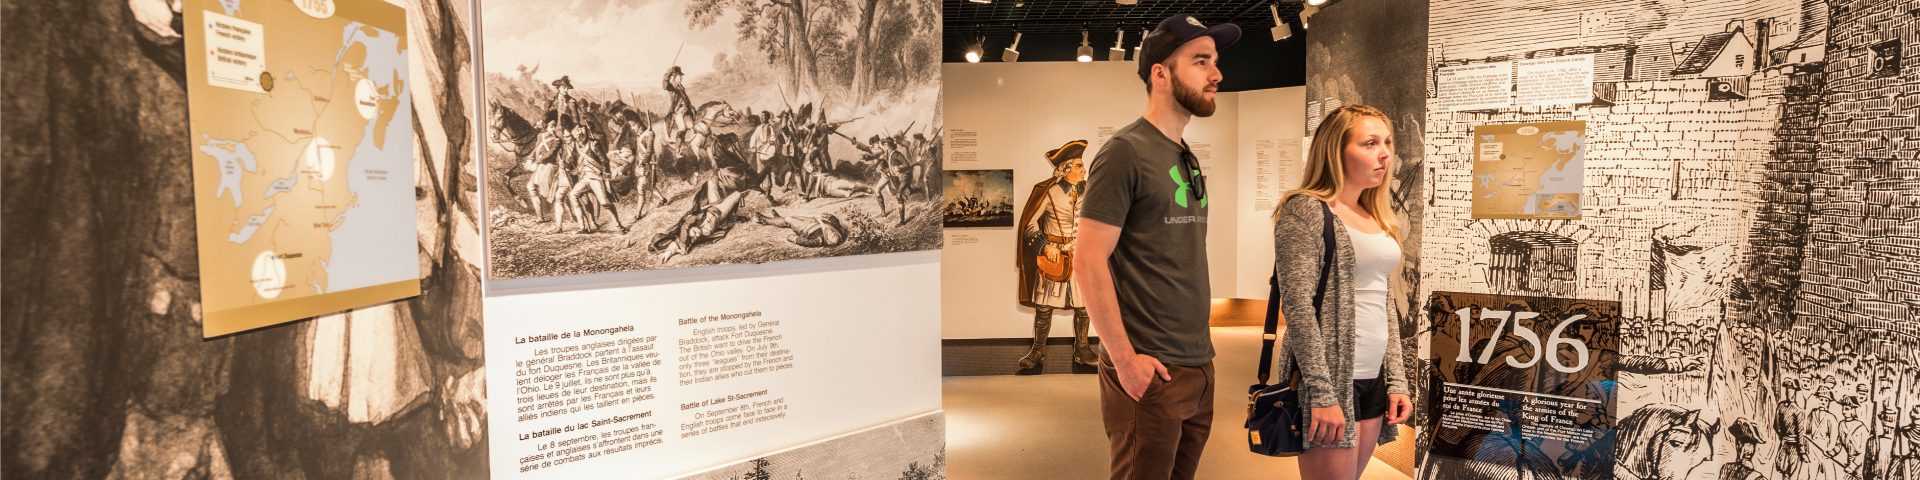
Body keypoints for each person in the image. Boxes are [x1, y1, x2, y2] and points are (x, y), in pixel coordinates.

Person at [1073, 14, 1236, 480]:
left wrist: (1201, 362)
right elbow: (1087, 262)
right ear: (1160, 73)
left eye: (1215, 61)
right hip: (1150, 368)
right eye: (1200, 61)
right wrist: (1124, 361)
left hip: (1197, 363)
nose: (1216, 74)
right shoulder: (1125, 152)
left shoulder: (1184, 152)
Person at [1271, 104, 1415, 480]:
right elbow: (1298, 307)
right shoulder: (1305, 211)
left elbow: (1384, 304)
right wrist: (1321, 392)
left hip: (1373, 377)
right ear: (1335, 151)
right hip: (1332, 378)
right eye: (1370, 143)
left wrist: (1396, 380)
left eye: (1387, 142)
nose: (1385, 153)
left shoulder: (1376, 215)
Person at [1014, 140, 1093, 369]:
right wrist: (1045, 247)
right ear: (1066, 168)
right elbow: (1029, 225)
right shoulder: (1049, 193)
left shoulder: (1090, 191)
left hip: (1081, 258)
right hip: (1054, 257)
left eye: (1082, 165)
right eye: (1078, 165)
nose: (1083, 169)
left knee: (1084, 307)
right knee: (1044, 308)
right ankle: (1037, 352)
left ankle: (1083, 350)